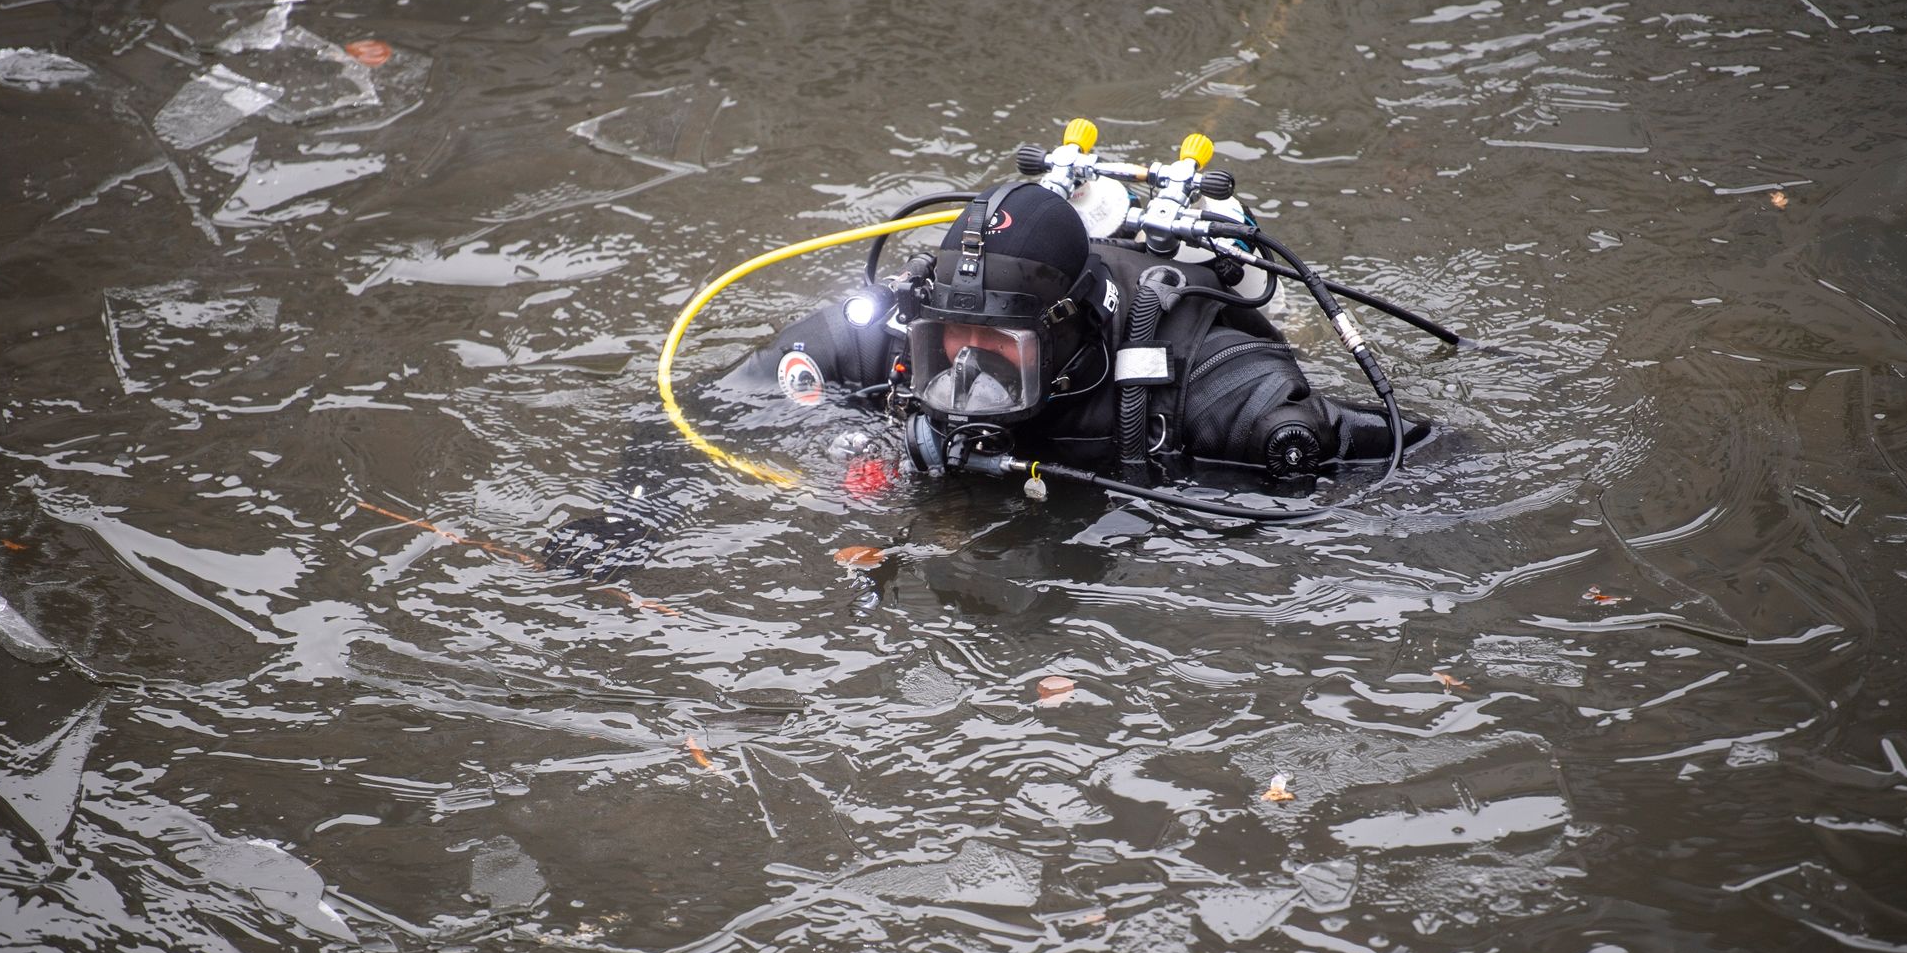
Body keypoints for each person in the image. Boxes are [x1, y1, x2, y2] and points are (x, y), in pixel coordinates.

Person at [546, 180, 1429, 573]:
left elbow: (1417, 454)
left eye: (994, 361)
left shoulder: (1209, 375)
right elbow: (706, 404)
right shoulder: (898, 326)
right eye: (944, 355)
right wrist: (632, 514)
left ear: (1071, 332)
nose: (960, 380)